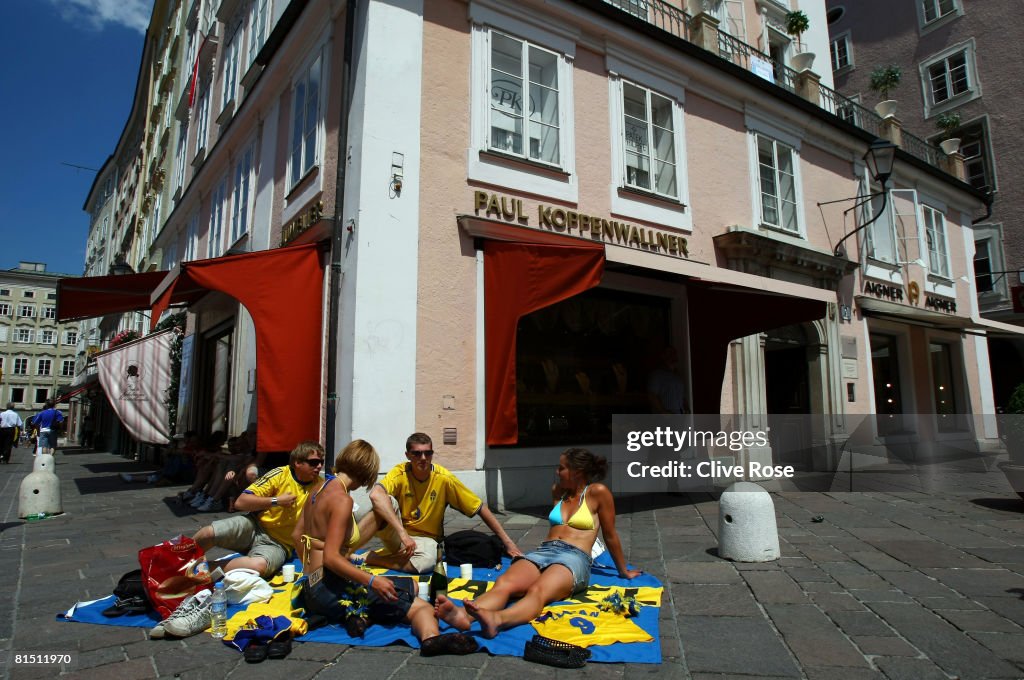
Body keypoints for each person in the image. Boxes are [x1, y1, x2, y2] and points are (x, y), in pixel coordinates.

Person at [291, 440, 477, 656]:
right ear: (366, 472)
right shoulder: (342, 500)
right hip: (330, 588)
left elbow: (297, 536)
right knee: (421, 607)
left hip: (311, 589)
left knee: (412, 587)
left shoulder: (317, 489)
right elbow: (332, 558)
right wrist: (372, 580)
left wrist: (311, 573)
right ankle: (431, 639)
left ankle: (360, 617)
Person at [436, 447, 641, 638]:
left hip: (574, 557)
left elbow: (610, 534)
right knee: (504, 584)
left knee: (538, 591)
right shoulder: (558, 491)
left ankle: (497, 620)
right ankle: (464, 616)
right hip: (544, 551)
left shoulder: (597, 492)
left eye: (562, 468)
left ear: (577, 471)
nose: (557, 471)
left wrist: (623, 570)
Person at [356, 432, 522, 573]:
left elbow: (479, 507)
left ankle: (373, 558)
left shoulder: (444, 479)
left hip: (427, 541)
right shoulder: (400, 473)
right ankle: (345, 552)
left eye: (428, 453)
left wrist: (508, 543)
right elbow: (375, 495)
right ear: (408, 456)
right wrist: (402, 533)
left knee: (427, 563)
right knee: (385, 501)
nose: (423, 458)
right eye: (417, 453)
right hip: (399, 537)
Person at [191, 440, 322, 577]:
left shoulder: (321, 486)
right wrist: (276, 501)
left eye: (321, 463)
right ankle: (180, 560)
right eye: (313, 463)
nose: (319, 467)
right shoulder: (280, 474)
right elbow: (241, 503)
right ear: (298, 463)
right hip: (254, 526)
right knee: (208, 533)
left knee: (259, 566)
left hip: (279, 544)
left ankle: (202, 569)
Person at [647, 346, 690, 414]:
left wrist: (686, 409)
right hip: (665, 419)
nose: (673, 355)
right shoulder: (657, 374)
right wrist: (663, 412)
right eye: (670, 352)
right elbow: (652, 396)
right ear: (663, 356)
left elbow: (682, 396)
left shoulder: (677, 376)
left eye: (674, 353)